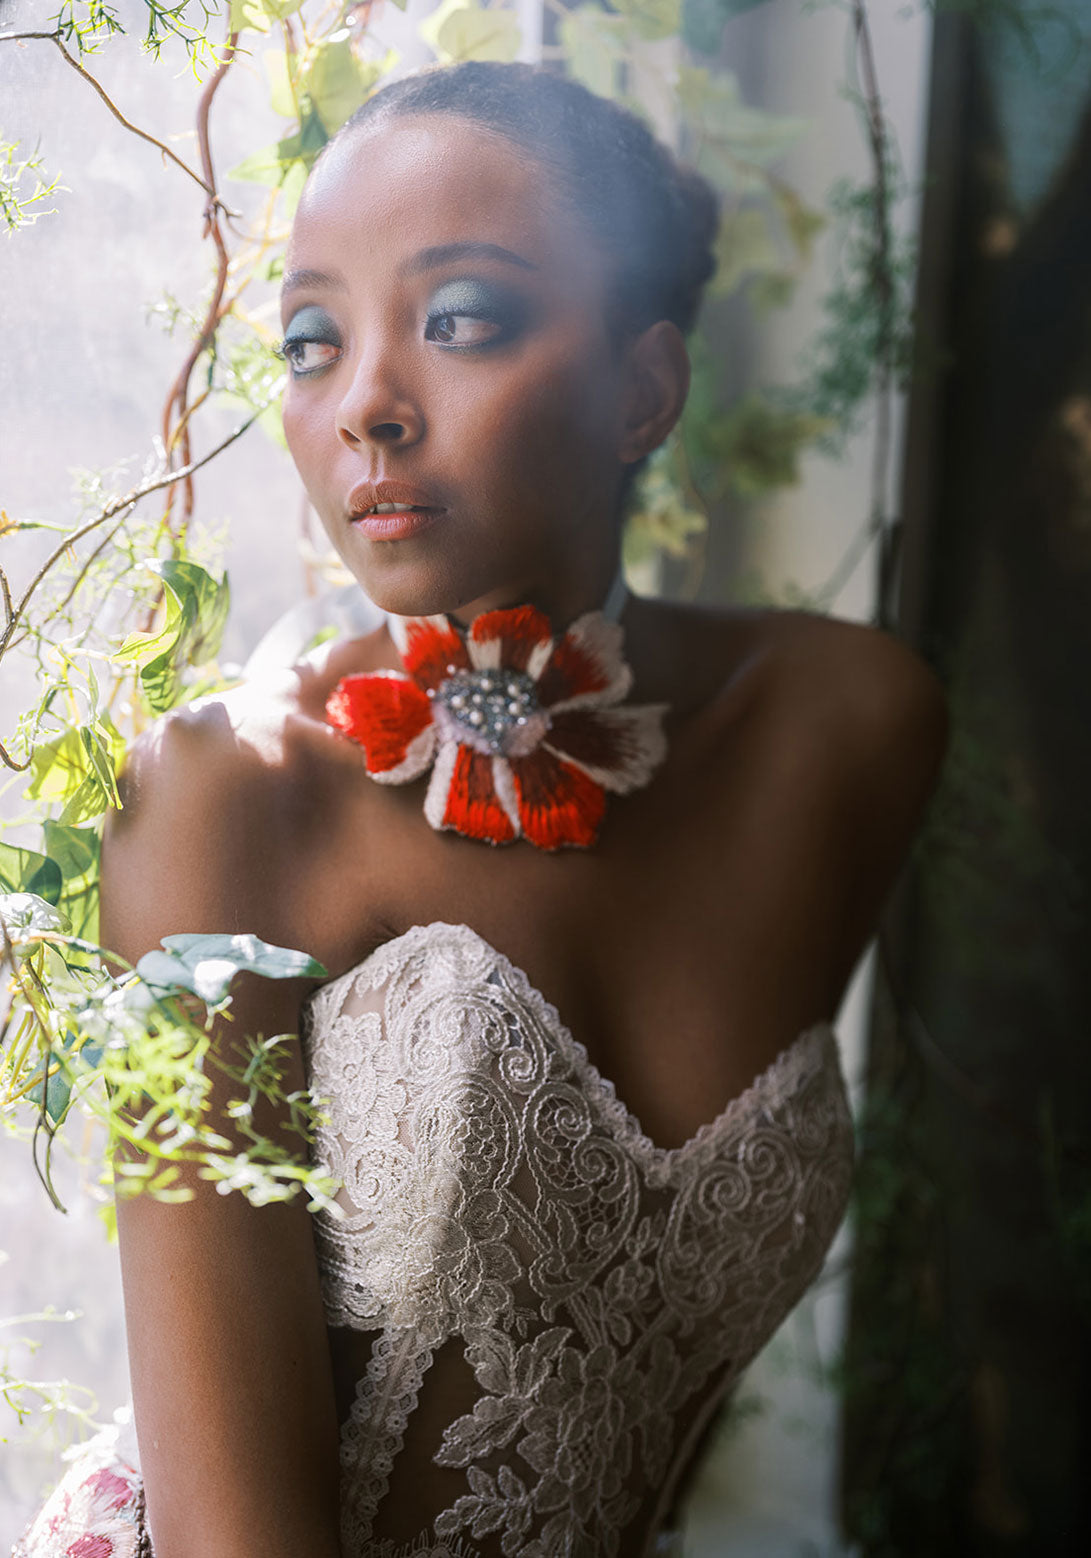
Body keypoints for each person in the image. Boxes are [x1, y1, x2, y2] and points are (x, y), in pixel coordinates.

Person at [13, 60, 948, 1558]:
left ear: (645, 387)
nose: (367, 405)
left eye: (460, 319)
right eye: (314, 341)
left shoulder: (843, 734)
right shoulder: (221, 802)